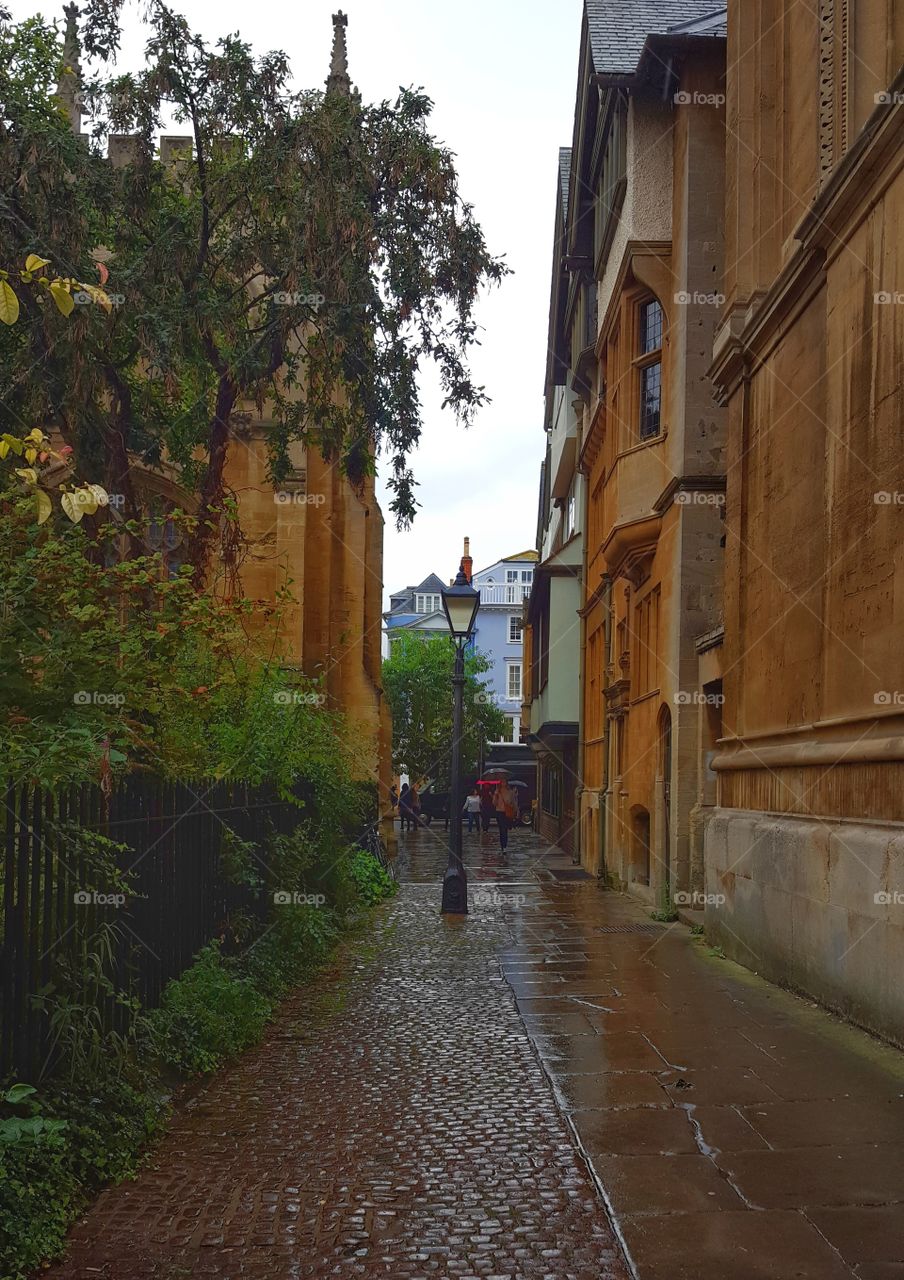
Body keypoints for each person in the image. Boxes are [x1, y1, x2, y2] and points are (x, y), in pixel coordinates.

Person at [493, 780, 518, 853]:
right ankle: (502, 846)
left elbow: (513, 802)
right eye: (501, 781)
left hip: (507, 812)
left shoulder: (510, 792)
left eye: (504, 781)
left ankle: (504, 846)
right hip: (499, 812)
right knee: (501, 829)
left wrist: (516, 811)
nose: (503, 783)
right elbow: (494, 803)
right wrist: (496, 794)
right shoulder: (497, 791)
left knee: (505, 830)